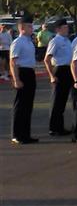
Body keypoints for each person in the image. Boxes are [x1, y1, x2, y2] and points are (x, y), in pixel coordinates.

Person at [10, 14, 39, 144]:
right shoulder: (18, 42)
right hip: (22, 73)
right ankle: (17, 135)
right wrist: (16, 79)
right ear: (21, 28)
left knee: (28, 106)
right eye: (29, 26)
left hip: (30, 73)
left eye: (31, 26)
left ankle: (26, 134)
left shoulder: (29, 41)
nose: (31, 28)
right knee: (20, 106)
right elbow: (13, 62)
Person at [44, 18, 74, 136]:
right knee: (57, 101)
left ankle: (60, 127)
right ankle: (54, 128)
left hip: (67, 70)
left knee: (62, 101)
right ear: (58, 29)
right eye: (64, 27)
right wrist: (51, 75)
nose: (67, 29)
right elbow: (47, 59)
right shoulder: (55, 41)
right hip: (59, 70)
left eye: (67, 27)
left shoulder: (67, 41)